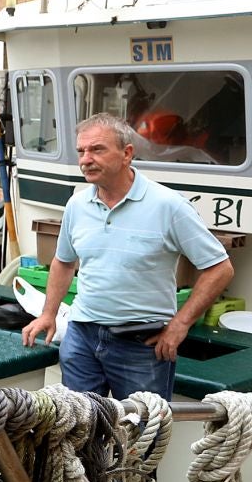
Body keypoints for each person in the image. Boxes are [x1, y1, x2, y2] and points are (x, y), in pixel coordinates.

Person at [21, 113, 235, 398]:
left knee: (141, 436)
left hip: (142, 345)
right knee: (79, 433)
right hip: (82, 336)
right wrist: (48, 314)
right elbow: (63, 261)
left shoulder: (168, 206)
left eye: (97, 149)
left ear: (127, 154)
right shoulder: (77, 204)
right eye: (81, 151)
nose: (86, 159)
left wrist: (180, 325)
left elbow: (220, 268)